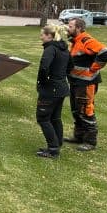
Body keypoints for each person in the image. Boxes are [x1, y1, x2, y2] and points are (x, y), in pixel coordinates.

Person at [64, 17, 107, 151]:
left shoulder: (87, 40)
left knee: (86, 109)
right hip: (75, 81)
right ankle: (78, 136)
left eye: (71, 26)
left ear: (78, 28)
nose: (68, 28)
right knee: (76, 109)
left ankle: (90, 141)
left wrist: (93, 68)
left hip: (86, 83)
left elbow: (105, 52)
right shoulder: (75, 41)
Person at [36, 24, 72, 158]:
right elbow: (70, 66)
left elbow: (44, 67)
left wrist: (44, 82)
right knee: (55, 117)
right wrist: (60, 77)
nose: (41, 37)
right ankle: (57, 143)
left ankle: (53, 149)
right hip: (61, 88)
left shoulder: (50, 49)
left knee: (43, 118)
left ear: (49, 36)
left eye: (42, 35)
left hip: (51, 89)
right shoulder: (64, 49)